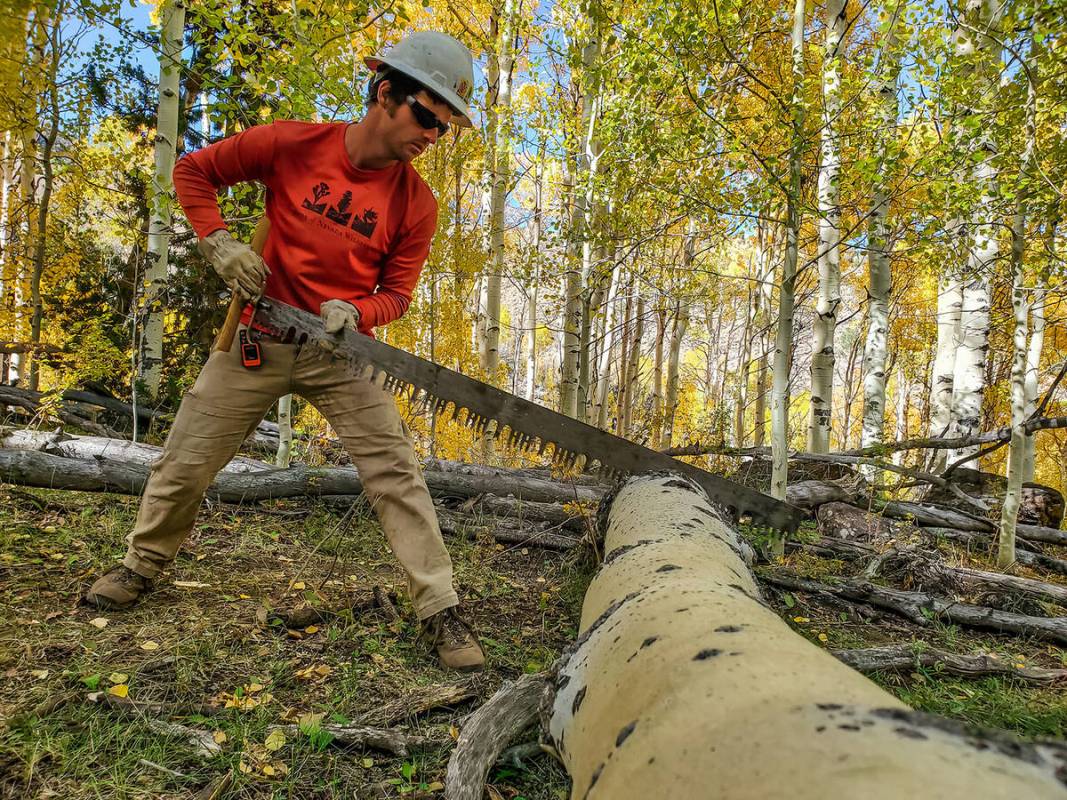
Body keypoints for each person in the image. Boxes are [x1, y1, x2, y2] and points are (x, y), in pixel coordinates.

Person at [85, 31, 485, 672]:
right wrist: (219, 243)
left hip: (341, 354)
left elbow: (398, 294)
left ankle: (441, 608)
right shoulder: (292, 144)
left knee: (396, 475)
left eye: (445, 129)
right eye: (426, 117)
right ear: (385, 92)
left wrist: (357, 311)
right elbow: (192, 171)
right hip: (258, 339)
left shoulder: (417, 204)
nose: (432, 138)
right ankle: (140, 566)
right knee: (186, 459)